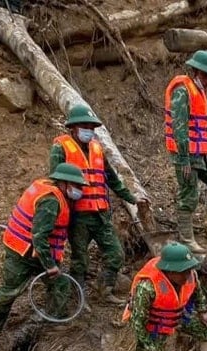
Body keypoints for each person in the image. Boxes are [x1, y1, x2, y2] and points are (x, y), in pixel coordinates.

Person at [48, 105, 150, 305]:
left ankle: (105, 291)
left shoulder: (96, 148)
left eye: (91, 127)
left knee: (115, 254)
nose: (89, 130)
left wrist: (130, 198)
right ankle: (78, 298)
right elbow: (56, 182)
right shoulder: (61, 148)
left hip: (101, 213)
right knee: (80, 260)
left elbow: (111, 178)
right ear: (73, 128)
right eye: (84, 126)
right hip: (77, 215)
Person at [0, 164, 87, 346]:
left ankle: (53, 322)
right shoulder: (51, 201)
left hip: (32, 248)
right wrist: (50, 265)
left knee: (60, 283)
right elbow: (39, 236)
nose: (79, 191)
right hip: (23, 251)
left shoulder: (46, 186)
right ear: (64, 183)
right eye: (77, 186)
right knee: (10, 291)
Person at [164, 50, 207, 254]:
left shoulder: (199, 92)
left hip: (199, 152)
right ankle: (186, 238)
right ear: (196, 71)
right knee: (189, 193)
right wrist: (183, 159)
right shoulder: (182, 90)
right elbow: (179, 126)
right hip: (185, 153)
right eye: (205, 75)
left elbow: (204, 128)